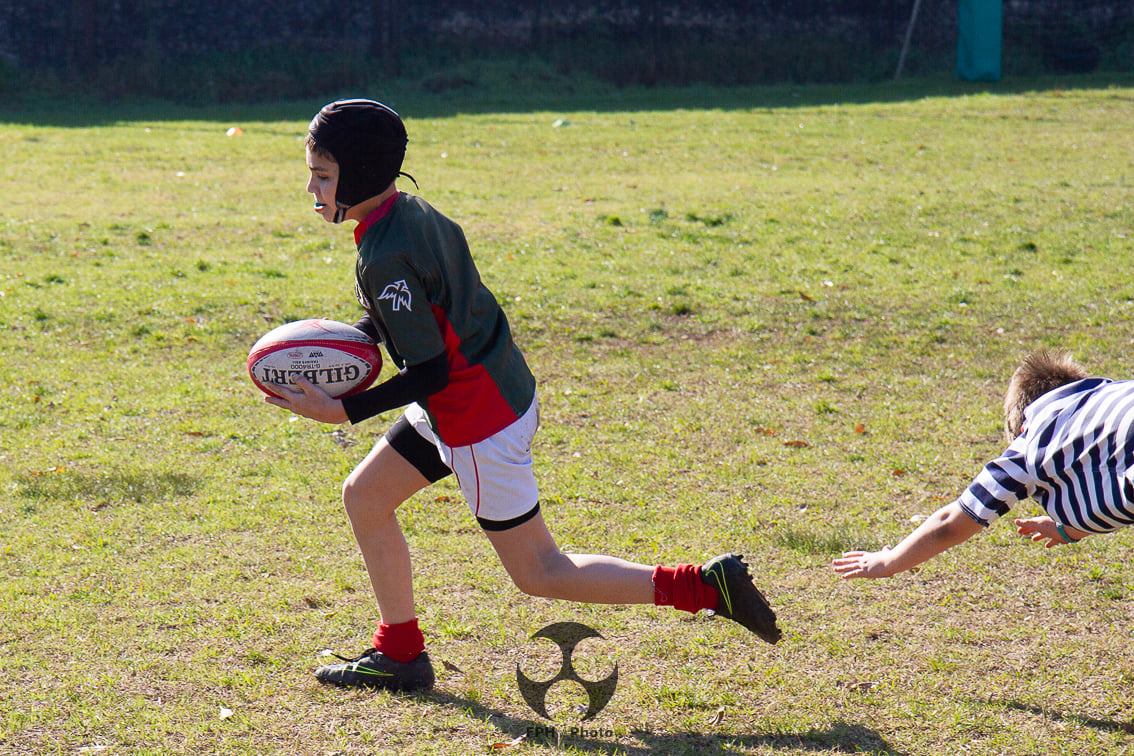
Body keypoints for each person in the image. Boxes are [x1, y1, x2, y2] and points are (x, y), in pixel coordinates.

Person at [263, 98, 781, 692]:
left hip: (474, 418)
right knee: (366, 496)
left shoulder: (386, 255)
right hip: (488, 388)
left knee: (540, 571)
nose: (312, 187)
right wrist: (352, 339)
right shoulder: (410, 214)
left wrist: (344, 408)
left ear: (359, 174)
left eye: (322, 175)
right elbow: (428, 313)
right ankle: (400, 653)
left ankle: (704, 587)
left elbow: (430, 370)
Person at [832, 349, 1134, 581]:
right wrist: (1069, 529)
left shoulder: (1033, 444)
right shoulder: (1108, 398)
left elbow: (951, 523)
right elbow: (1107, 472)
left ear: (1020, 425)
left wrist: (888, 562)